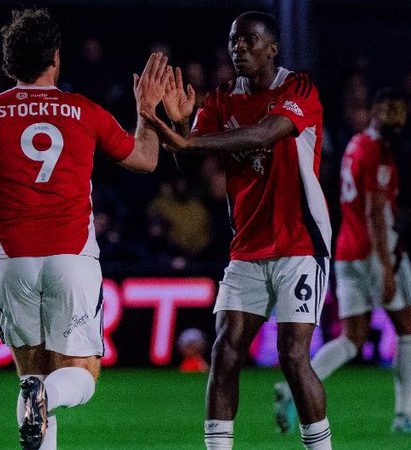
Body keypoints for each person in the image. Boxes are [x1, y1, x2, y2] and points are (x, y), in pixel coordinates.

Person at [0, 8, 169, 450]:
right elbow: (146, 159)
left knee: (31, 376)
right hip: (71, 256)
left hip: (11, 260)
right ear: (55, 59)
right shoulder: (82, 111)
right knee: (79, 375)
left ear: (9, 63)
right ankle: (48, 395)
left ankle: (38, 393)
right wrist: (147, 113)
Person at [141, 11, 332, 450]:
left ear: (272, 49)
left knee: (292, 354)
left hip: (300, 242)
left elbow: (266, 132)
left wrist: (190, 139)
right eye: (233, 40)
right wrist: (179, 126)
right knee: (224, 351)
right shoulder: (222, 97)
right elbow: (188, 156)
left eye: (249, 40)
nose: (238, 47)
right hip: (246, 246)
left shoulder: (297, 88)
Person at [273, 88, 411, 434]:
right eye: (387, 109)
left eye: (397, 110)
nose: (394, 117)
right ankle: (404, 418)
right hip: (374, 251)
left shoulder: (355, 144)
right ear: (375, 112)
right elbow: (373, 211)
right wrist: (385, 266)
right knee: (408, 329)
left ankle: (292, 388)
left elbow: (373, 204)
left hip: (347, 250)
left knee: (352, 338)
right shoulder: (377, 151)